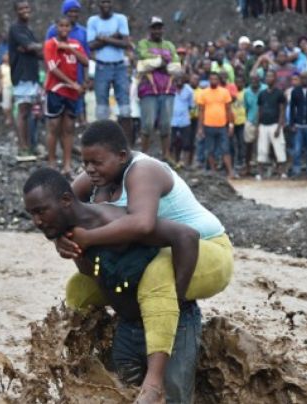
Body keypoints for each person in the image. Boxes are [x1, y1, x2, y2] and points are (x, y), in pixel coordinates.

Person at [60, 120, 234, 402]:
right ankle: (88, 354)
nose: (90, 169)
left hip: (206, 249)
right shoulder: (94, 177)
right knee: (79, 286)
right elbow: (59, 205)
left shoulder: (144, 170)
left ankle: (154, 382)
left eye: (97, 162)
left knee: (157, 275)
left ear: (122, 156)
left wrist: (88, 239)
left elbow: (142, 224)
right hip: (156, 253)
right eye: (85, 162)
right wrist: (61, 239)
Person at [24, 167, 203, 404]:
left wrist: (176, 301)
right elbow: (89, 272)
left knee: (173, 400)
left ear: (66, 201)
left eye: (41, 211)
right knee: (121, 396)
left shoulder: (114, 221)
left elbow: (187, 237)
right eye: (31, 214)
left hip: (173, 327)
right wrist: (62, 242)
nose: (36, 221)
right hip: (128, 328)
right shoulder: (70, 235)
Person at [43, 15, 89, 177]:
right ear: (56, 27)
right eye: (61, 26)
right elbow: (53, 69)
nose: (63, 29)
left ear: (70, 28)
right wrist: (72, 83)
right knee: (54, 126)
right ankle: (51, 161)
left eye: (66, 26)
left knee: (69, 128)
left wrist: (70, 49)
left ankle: (67, 164)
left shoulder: (75, 44)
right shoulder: (50, 45)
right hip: (56, 90)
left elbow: (85, 62)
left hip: (72, 92)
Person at [87, 0, 133, 143]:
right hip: (102, 66)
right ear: (98, 4)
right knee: (102, 109)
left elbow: (126, 43)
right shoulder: (93, 21)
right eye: (102, 2)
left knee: (125, 108)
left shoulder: (121, 19)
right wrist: (115, 37)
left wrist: (104, 38)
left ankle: (126, 144)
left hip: (119, 66)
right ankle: (103, 143)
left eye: (108, 1)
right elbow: (91, 45)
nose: (105, 4)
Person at [137, 16, 180, 160]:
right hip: (149, 88)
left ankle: (166, 155)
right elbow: (142, 58)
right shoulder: (143, 43)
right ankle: (144, 154)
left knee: (166, 124)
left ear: (163, 29)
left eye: (159, 27)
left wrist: (154, 62)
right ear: (150, 29)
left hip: (167, 88)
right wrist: (163, 62)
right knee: (147, 124)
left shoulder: (169, 45)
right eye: (154, 28)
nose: (157, 30)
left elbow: (176, 65)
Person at [9, 0, 42, 162]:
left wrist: (35, 47)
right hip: (21, 75)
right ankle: (22, 148)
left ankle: (29, 145)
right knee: (23, 112)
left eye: (27, 7)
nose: (25, 10)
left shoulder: (28, 29)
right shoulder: (15, 29)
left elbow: (35, 50)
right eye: (21, 8)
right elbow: (29, 47)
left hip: (32, 75)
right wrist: (33, 47)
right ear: (16, 11)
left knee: (29, 112)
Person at [196, 72, 235, 178]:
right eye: (211, 79)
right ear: (209, 80)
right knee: (210, 149)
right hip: (208, 125)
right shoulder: (203, 93)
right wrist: (200, 128)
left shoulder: (225, 92)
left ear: (218, 80)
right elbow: (201, 111)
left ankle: (230, 171)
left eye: (215, 79)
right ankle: (213, 172)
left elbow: (229, 109)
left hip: (222, 125)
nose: (213, 81)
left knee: (225, 149)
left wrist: (231, 125)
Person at [256, 70, 286, 179]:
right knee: (262, 149)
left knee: (279, 148)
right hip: (263, 125)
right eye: (267, 76)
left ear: (275, 79)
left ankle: (281, 172)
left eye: (271, 76)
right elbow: (259, 110)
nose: (269, 78)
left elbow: (282, 110)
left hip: (275, 125)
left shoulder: (279, 93)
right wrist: (257, 126)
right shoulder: (262, 94)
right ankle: (260, 173)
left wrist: (279, 126)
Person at [170, 74, 195, 167]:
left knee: (186, 143)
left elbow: (192, 105)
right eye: (177, 79)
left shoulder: (189, 90)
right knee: (173, 142)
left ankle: (185, 162)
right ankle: (173, 161)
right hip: (172, 120)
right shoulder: (171, 89)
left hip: (185, 120)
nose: (179, 81)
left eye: (181, 79)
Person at [242, 74, 265, 177]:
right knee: (249, 145)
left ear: (260, 79)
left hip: (264, 122)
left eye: (256, 79)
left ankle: (262, 168)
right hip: (251, 120)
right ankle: (248, 167)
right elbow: (246, 108)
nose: (254, 81)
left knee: (262, 146)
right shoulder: (246, 92)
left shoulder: (264, 89)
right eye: (253, 79)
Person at [231, 76, 247, 171]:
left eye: (240, 82)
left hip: (242, 121)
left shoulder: (245, 93)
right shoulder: (232, 93)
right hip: (233, 122)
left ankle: (241, 160)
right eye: (236, 82)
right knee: (233, 143)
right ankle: (234, 161)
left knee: (241, 142)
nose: (238, 84)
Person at [0, 53, 14, 127]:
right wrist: (0, 87)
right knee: (6, 104)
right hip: (6, 86)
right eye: (5, 55)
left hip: (13, 86)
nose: (6, 57)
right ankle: (8, 118)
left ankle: (13, 118)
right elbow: (0, 78)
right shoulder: (1, 67)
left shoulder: (13, 65)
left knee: (13, 104)